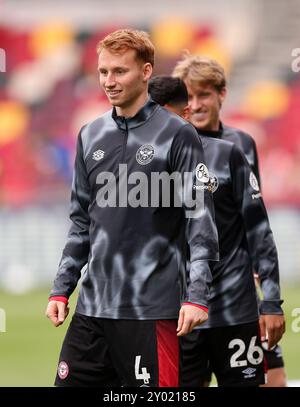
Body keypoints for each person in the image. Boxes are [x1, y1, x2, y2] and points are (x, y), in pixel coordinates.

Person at [45, 29, 219, 387]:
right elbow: (81, 223)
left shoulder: (177, 134)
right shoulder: (89, 135)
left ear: (145, 72)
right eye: (103, 71)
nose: (109, 81)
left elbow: (200, 220)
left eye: (119, 71)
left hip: (151, 312)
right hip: (92, 310)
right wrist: (62, 288)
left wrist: (197, 297)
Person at [149, 71, 285, 387]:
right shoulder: (141, 168)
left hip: (234, 312)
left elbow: (259, 231)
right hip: (176, 317)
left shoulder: (228, 154)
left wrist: (272, 301)